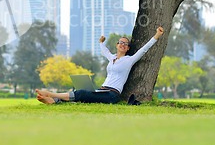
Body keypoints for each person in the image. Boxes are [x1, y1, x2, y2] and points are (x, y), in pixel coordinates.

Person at [36, 26, 165, 105]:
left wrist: (156, 36)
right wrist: (101, 43)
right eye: (120, 42)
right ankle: (53, 101)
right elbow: (104, 51)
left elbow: (144, 49)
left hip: (112, 94)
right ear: (117, 45)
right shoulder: (112, 58)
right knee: (80, 93)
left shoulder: (129, 60)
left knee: (81, 94)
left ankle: (51, 94)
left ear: (128, 48)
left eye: (125, 44)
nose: (122, 44)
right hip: (102, 90)